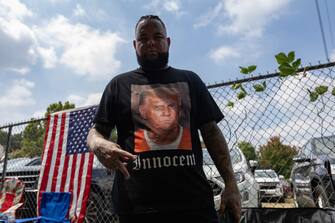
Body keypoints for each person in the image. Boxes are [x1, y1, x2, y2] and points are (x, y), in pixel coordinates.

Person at [87, 15, 241, 223]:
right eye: (143, 38)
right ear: (135, 45)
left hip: (194, 205)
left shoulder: (190, 80)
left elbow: (211, 132)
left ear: (167, 42)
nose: (151, 42)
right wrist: (99, 144)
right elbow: (96, 132)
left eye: (157, 36)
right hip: (136, 208)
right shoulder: (118, 85)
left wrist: (231, 184)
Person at [135, 86, 192, 152]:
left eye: (171, 106)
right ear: (143, 111)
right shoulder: (134, 138)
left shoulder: (189, 136)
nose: (166, 113)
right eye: (158, 108)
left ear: (179, 109)